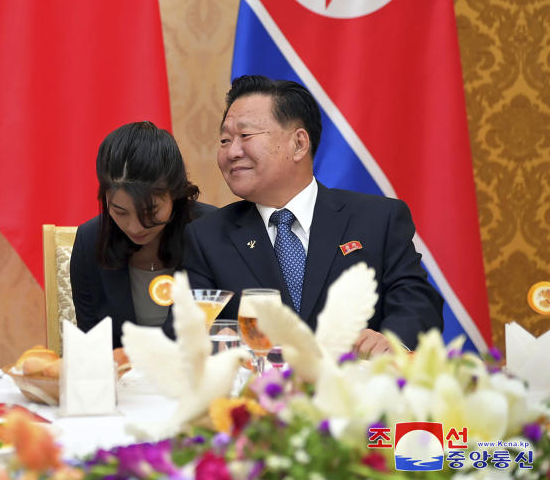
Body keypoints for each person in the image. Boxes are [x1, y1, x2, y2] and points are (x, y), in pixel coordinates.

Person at [184, 75, 443, 356]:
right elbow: (187, 328)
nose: (231, 152)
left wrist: (391, 341)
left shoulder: (378, 219)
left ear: (299, 144)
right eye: (224, 140)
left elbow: (418, 303)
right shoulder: (206, 237)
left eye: (245, 136)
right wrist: (214, 340)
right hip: (261, 395)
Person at [70, 121, 215, 348]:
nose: (135, 227)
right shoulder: (90, 240)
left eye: (150, 211)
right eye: (120, 211)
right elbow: (91, 342)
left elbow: (228, 329)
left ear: (175, 194)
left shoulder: (210, 231)